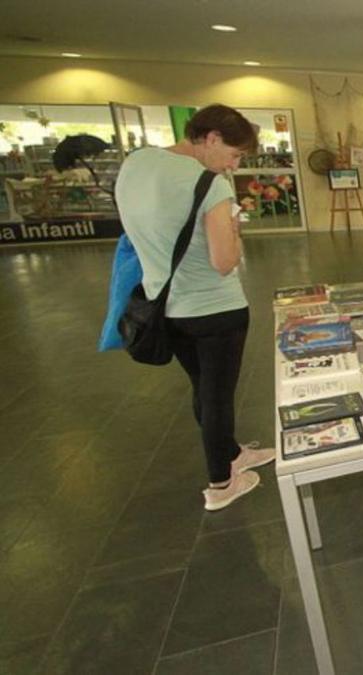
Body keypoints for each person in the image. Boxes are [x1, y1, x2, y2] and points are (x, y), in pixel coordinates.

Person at [116, 104, 274, 511]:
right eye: (234, 155)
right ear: (212, 139)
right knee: (217, 395)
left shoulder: (136, 164)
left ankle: (233, 453)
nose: (233, 165)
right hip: (215, 308)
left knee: (203, 386)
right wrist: (236, 232)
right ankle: (221, 483)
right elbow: (224, 261)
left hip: (166, 305)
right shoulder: (210, 185)